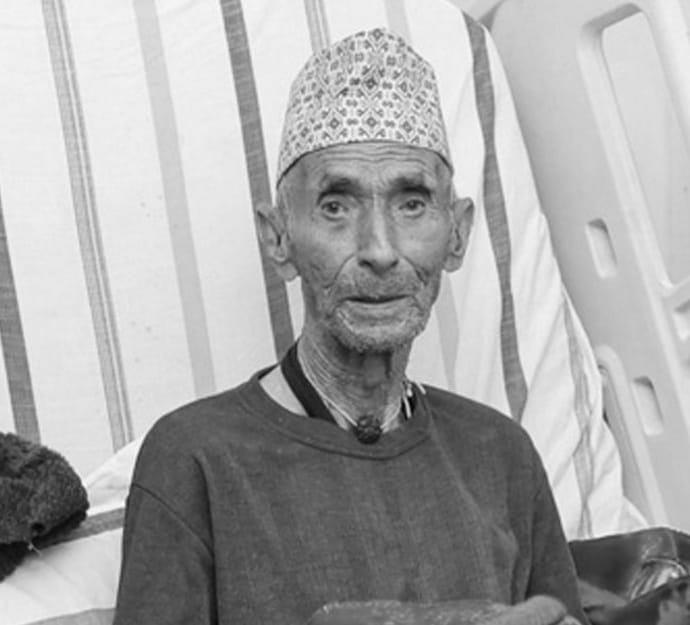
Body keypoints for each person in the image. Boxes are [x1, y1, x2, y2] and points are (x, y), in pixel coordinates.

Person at [113, 28, 587, 625]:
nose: (379, 250)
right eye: (336, 206)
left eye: (411, 203)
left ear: (458, 233)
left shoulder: (501, 453)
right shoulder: (194, 458)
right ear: (278, 237)